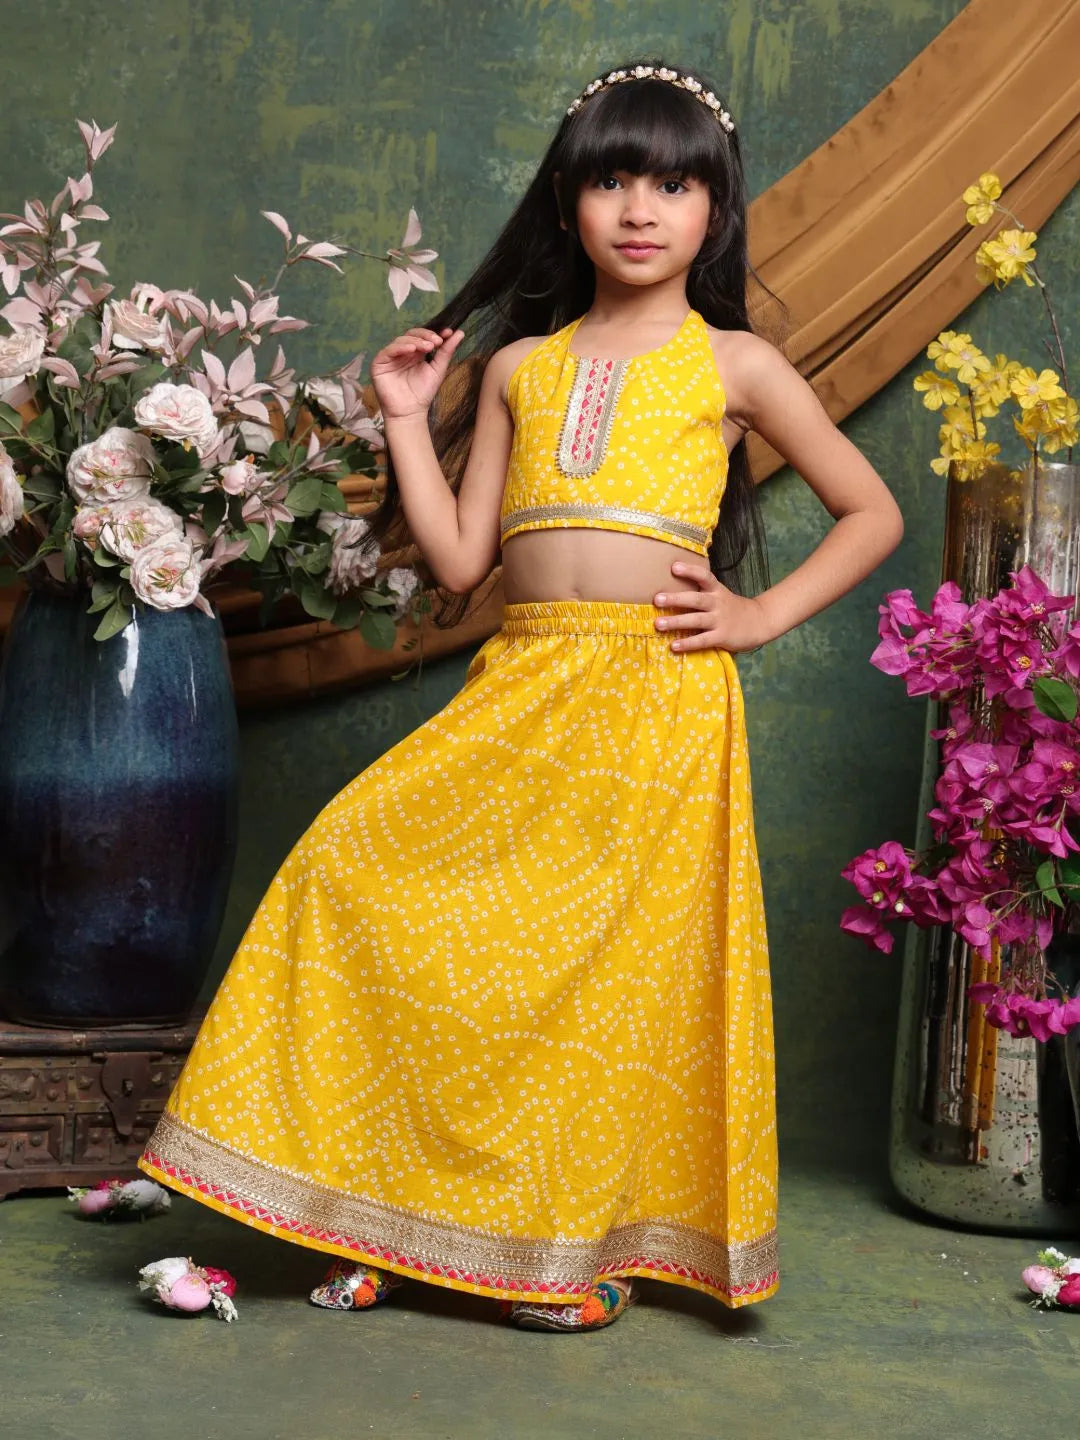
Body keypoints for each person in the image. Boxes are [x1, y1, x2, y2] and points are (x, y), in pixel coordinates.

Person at [139, 57, 903, 1333]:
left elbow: (869, 511)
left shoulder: (739, 366)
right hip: (526, 679)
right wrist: (400, 415)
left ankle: (555, 1253)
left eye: (673, 183)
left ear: (715, 210)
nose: (641, 207)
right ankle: (381, 1208)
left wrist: (758, 614)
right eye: (611, 179)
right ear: (566, 205)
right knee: (351, 869)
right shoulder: (517, 370)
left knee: (596, 986)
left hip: (657, 701)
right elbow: (456, 563)